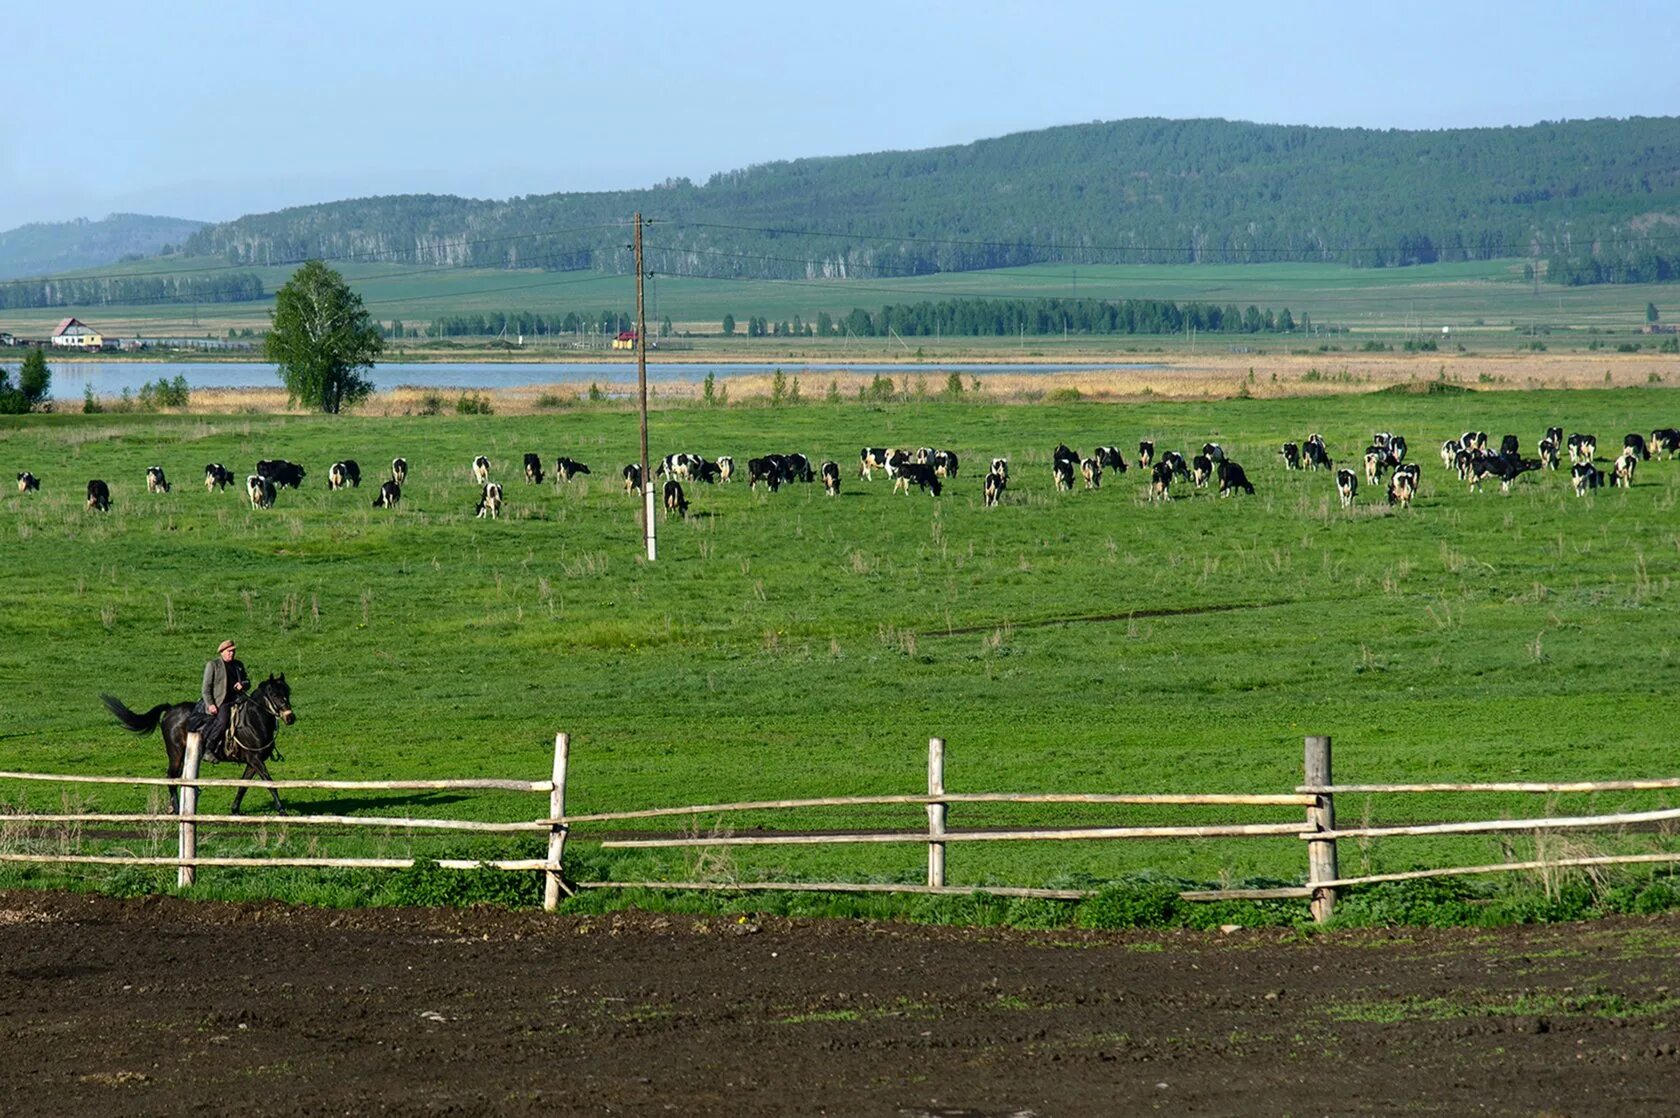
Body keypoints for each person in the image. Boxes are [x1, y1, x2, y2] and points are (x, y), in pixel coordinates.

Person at [198, 638, 249, 762]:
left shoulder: (238, 665)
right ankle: (209, 748)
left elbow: (247, 681)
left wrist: (243, 684)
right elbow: (206, 688)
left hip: (238, 700)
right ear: (222, 652)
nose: (231, 653)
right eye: (229, 651)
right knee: (223, 721)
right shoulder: (213, 665)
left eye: (233, 651)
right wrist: (210, 704)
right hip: (222, 702)